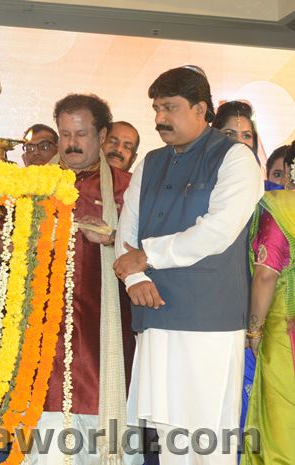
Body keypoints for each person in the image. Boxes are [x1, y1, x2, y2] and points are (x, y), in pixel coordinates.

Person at [114, 66, 263, 465]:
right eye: (156, 108)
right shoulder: (150, 162)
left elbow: (217, 231)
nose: (160, 118)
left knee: (207, 439)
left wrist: (148, 256)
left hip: (208, 322)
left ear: (201, 109)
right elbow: (126, 233)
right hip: (155, 317)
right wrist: (135, 277)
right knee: (166, 441)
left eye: (170, 108)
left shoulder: (235, 158)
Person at [31, 94, 139, 465]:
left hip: (105, 348)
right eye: (64, 134)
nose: (71, 143)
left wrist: (112, 237)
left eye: (81, 134)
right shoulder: (34, 187)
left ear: (102, 135)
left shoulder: (127, 188)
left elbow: (151, 250)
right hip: (45, 353)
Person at [243, 144, 295, 465]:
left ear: (290, 169)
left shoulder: (280, 206)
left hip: (284, 336)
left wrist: (254, 331)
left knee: (282, 432)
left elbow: (265, 275)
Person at [212, 100, 268, 176]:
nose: (239, 142)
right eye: (229, 134)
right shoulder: (201, 176)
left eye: (246, 136)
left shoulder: (258, 179)